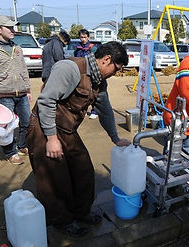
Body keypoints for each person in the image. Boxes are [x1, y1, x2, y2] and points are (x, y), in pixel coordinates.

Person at [26, 41, 130, 238]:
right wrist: (51, 138)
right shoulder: (70, 68)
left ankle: (81, 212)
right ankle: (62, 220)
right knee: (55, 178)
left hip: (67, 130)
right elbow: (46, 101)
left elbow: (105, 110)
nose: (115, 74)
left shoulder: (99, 80)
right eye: (116, 69)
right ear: (106, 60)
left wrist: (115, 137)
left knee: (83, 170)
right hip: (43, 128)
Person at [0, 15, 32, 165]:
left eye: (13, 27)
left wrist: (27, 89)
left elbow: (23, 69)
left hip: (21, 92)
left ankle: (23, 146)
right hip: (2, 93)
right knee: (6, 127)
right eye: (9, 27)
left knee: (26, 122)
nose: (13, 30)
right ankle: (10, 152)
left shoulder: (17, 47)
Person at [74, 29, 99, 119]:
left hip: (90, 73)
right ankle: (82, 110)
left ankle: (94, 110)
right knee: (81, 92)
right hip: (80, 73)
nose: (83, 39)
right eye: (81, 37)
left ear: (88, 37)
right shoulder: (78, 48)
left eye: (85, 37)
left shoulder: (93, 48)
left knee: (92, 92)